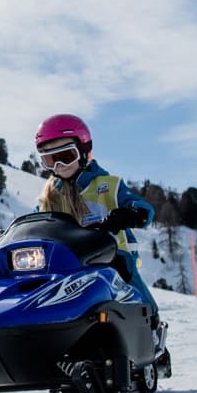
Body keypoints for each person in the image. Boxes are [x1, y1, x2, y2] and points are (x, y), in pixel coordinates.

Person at [33, 114, 160, 322]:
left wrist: (130, 214)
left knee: (134, 291)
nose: (59, 166)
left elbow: (143, 209)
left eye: (65, 156)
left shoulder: (108, 185)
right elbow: (35, 224)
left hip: (114, 260)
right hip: (69, 266)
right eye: (49, 160)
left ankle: (151, 328)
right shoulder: (49, 196)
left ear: (83, 151)